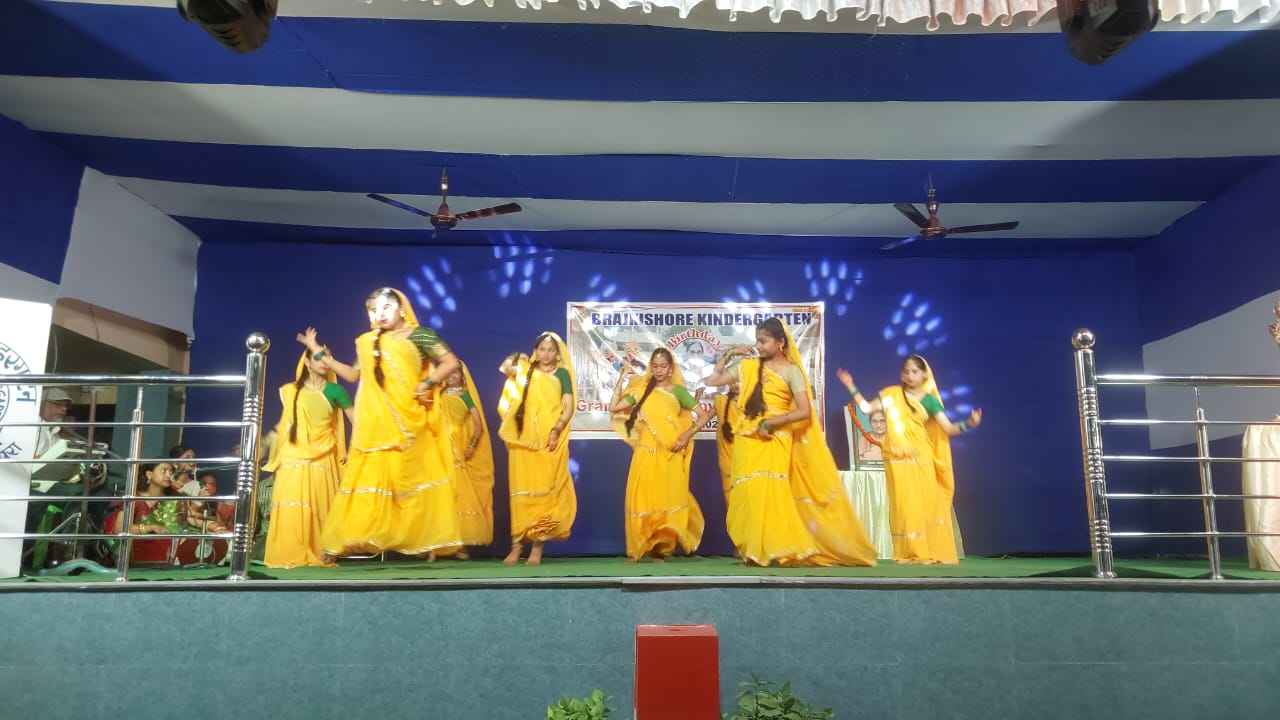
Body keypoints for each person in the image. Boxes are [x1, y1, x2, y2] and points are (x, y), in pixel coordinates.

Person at [704, 318, 876, 567]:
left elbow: (804, 411)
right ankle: (756, 549)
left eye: (764, 341)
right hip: (746, 437)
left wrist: (773, 422)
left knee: (770, 491)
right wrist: (729, 354)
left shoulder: (792, 371)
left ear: (780, 343)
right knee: (748, 493)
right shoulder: (747, 366)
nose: (759, 346)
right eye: (757, 341)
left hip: (775, 436)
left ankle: (777, 549)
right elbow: (712, 381)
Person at [308, 287, 463, 560]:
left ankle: (421, 540)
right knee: (366, 478)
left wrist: (427, 382)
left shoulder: (420, 335)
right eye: (373, 310)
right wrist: (318, 353)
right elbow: (353, 375)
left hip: (408, 420)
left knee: (412, 478)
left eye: (385, 308)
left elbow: (450, 362)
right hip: (373, 423)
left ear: (401, 309)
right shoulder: (367, 341)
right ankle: (339, 545)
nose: (379, 314)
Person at [837, 355, 983, 564]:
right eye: (906, 371)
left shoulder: (930, 401)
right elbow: (867, 408)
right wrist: (851, 386)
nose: (910, 375)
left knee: (922, 505)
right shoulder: (892, 395)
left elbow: (949, 429)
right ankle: (909, 552)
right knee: (903, 507)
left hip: (920, 459)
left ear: (924, 374)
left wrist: (969, 423)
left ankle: (925, 551)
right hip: (896, 461)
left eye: (915, 371)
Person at [609, 348, 707, 562]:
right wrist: (621, 378)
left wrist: (686, 436)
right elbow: (614, 407)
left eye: (663, 366)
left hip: (670, 452)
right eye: (655, 366)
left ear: (671, 369)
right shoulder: (641, 390)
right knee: (643, 498)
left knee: (667, 496)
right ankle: (641, 545)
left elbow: (703, 415)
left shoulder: (678, 392)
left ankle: (661, 549)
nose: (659, 370)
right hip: (645, 452)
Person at [260, 346, 351, 568]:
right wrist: (263, 444)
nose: (324, 361)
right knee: (291, 507)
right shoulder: (292, 391)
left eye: (328, 357)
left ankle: (321, 552)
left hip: (323, 457)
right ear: (307, 363)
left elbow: (356, 420)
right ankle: (288, 555)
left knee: (320, 506)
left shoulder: (336, 391)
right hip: (292, 457)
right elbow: (284, 424)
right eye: (318, 357)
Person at [497, 332, 577, 566]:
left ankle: (537, 547)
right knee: (520, 492)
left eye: (551, 350)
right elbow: (505, 368)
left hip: (548, 439)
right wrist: (519, 358)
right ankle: (516, 546)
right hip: (524, 441)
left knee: (545, 494)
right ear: (536, 350)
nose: (546, 354)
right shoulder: (527, 370)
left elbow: (568, 407)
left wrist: (556, 430)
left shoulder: (562, 374)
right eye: (542, 349)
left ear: (558, 353)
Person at [439, 365, 494, 559]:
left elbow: (478, 425)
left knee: (458, 492)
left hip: (454, 445)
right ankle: (435, 544)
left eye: (456, 373)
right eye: (449, 372)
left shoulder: (465, 395)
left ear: (462, 376)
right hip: (437, 445)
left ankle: (459, 545)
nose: (452, 376)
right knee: (439, 491)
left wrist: (471, 445)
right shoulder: (438, 394)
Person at [709, 382, 741, 505]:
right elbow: (704, 418)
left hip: (749, 461)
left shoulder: (753, 403)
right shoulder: (721, 401)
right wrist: (687, 434)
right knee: (731, 501)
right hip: (727, 461)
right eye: (733, 381)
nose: (736, 384)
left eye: (740, 380)